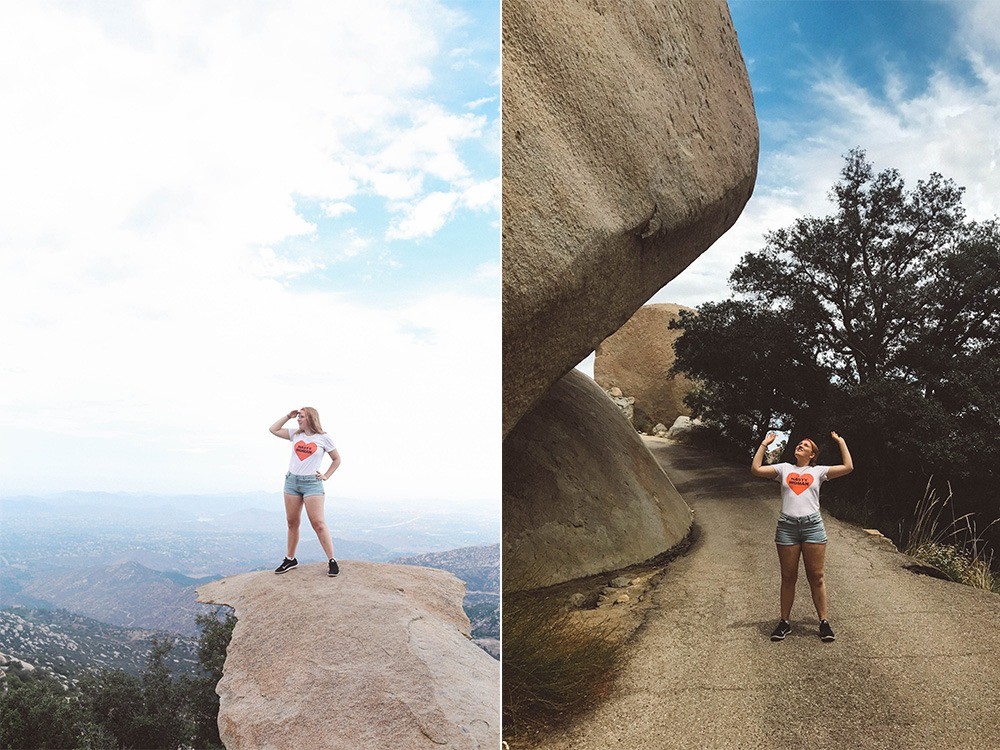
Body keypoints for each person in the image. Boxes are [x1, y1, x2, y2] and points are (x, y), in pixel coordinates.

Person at [751, 431, 853, 642]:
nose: (801, 446)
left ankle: (823, 622)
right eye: (799, 444)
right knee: (788, 577)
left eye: (806, 445)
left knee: (816, 576)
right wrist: (764, 444)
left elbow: (848, 467)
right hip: (787, 527)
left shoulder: (818, 471)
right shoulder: (784, 469)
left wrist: (841, 442)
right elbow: (756, 469)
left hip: (812, 527)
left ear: (812, 455)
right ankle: (784, 622)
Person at [269, 407, 342, 577]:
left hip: (311, 484)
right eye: (298, 416)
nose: (298, 419)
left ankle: (332, 560)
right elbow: (273, 429)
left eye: (301, 416)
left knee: (318, 523)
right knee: (292, 522)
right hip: (292, 482)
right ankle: (290, 559)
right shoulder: (296, 434)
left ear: (310, 418)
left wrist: (326, 475)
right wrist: (288, 416)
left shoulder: (323, 438)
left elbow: (337, 459)